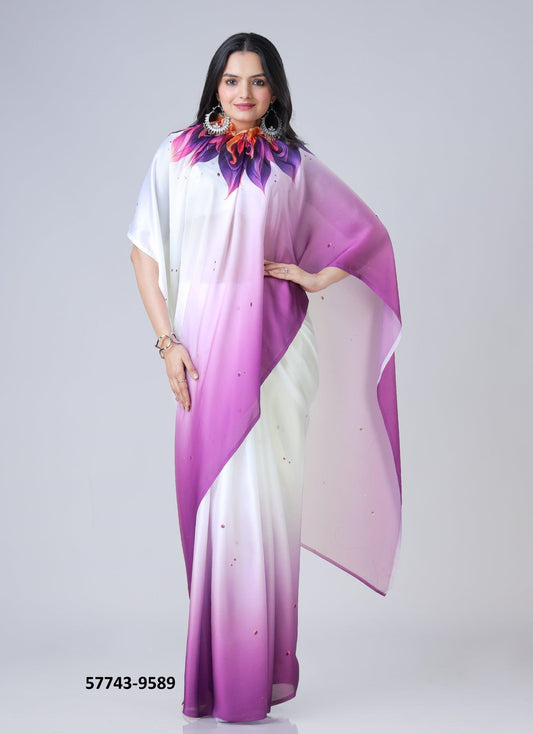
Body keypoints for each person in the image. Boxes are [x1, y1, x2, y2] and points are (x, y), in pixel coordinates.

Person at [127, 32, 402, 723]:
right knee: (215, 501)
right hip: (203, 346)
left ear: (274, 89)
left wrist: (313, 277)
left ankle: (253, 676)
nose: (243, 93)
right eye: (231, 80)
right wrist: (167, 343)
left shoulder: (292, 166)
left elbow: (367, 237)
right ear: (214, 86)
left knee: (265, 504)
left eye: (257, 81)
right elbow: (143, 255)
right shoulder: (176, 156)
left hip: (279, 351)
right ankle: (218, 672)